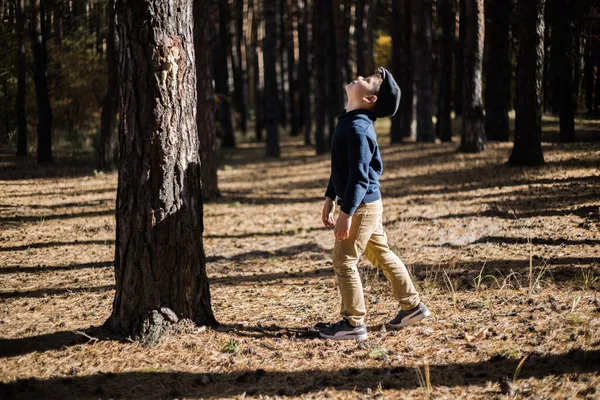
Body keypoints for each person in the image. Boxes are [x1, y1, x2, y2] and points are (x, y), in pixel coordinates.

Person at [318, 67, 430, 341]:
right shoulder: (349, 121)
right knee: (381, 253)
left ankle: (352, 323)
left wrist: (346, 213)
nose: (359, 78)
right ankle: (412, 306)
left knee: (344, 260)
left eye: (366, 81)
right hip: (364, 204)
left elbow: (358, 177)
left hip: (360, 206)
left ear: (370, 99)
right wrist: (330, 197)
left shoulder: (357, 129)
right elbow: (340, 170)